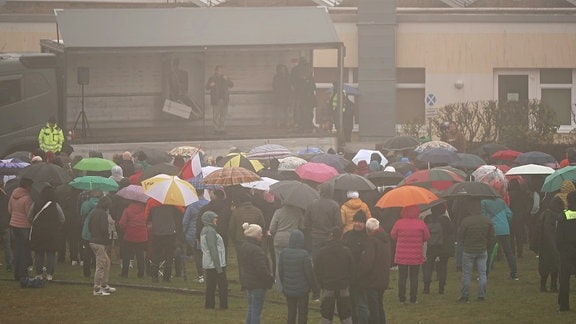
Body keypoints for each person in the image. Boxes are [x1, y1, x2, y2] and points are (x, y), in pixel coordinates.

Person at [457, 198, 495, 303]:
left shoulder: (466, 221)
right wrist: (487, 246)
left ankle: (465, 296)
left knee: (467, 274)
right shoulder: (487, 221)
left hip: (468, 250)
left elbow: (460, 236)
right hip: (482, 250)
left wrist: (464, 243)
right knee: (482, 273)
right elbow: (492, 237)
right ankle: (481, 295)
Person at [391, 204, 430, 304]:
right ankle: (413, 298)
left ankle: (402, 298)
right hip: (416, 255)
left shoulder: (399, 223)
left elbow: (393, 235)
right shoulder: (421, 223)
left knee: (402, 277)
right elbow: (427, 237)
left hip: (402, 255)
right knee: (414, 277)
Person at [278, 229, 318, 324]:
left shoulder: (284, 253)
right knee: (303, 313)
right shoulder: (304, 254)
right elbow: (309, 274)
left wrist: (284, 284)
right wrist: (315, 289)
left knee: (291, 312)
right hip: (302, 290)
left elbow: (280, 271)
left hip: (288, 289)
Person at [314, 227, 353, 324]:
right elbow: (352, 269)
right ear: (341, 236)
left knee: (326, 313)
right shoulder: (347, 251)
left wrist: (322, 283)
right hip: (343, 285)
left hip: (328, 285)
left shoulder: (322, 251)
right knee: (346, 313)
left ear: (331, 236)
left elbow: (317, 269)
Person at [238, 223, 274, 324]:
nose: (262, 235)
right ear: (256, 235)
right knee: (256, 311)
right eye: (260, 233)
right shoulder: (257, 250)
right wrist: (270, 279)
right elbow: (261, 269)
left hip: (249, 282)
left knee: (251, 308)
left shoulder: (244, 246)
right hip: (258, 284)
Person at [28, 186, 65, 281]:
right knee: (51, 253)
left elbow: (29, 217)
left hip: (38, 232)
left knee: (39, 253)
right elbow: (62, 219)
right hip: (52, 233)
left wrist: (35, 224)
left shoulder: (35, 204)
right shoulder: (55, 205)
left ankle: (39, 273)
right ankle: (50, 274)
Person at [146, 199, 184, 283]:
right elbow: (182, 211)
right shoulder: (172, 200)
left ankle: (154, 276)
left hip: (157, 232)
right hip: (170, 232)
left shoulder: (151, 201)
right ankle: (167, 277)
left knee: (156, 254)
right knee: (169, 255)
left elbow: (146, 216)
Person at [361, 218, 391, 324]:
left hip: (372, 279)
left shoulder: (372, 241)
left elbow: (368, 262)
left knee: (373, 308)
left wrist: (361, 273)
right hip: (383, 277)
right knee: (379, 304)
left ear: (369, 230)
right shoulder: (385, 239)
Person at [302, 182, 342, 261]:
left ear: (320, 191)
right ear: (331, 191)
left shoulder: (312, 204)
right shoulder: (335, 205)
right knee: (328, 262)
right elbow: (338, 224)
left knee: (316, 261)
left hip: (315, 237)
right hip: (330, 238)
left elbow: (306, 223)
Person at [269, 203, 304, 292]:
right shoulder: (298, 211)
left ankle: (279, 287)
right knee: (292, 263)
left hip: (279, 239)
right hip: (293, 239)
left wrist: (274, 234)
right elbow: (302, 226)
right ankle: (291, 286)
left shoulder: (278, 212)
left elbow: (272, 228)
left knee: (278, 262)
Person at [342, 211, 369, 323]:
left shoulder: (368, 238)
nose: (358, 224)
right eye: (356, 221)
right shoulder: (347, 235)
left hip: (362, 276)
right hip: (349, 275)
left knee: (362, 303)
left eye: (361, 222)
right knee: (351, 302)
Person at [481, 197, 518, 280]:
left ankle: (484, 274)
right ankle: (514, 273)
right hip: (505, 229)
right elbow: (509, 214)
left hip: (492, 230)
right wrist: (505, 222)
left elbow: (483, 216)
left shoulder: (484, 202)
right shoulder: (501, 202)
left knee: (488, 252)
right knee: (508, 252)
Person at [422, 204, 454, 294]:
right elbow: (451, 230)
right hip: (443, 246)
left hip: (431, 245)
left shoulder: (428, 218)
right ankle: (441, 288)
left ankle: (426, 287)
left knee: (428, 266)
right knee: (443, 266)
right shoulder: (445, 220)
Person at [200, 211, 228, 309]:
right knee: (222, 286)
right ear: (209, 219)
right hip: (216, 263)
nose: (216, 219)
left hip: (209, 263)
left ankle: (209, 305)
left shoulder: (205, 230)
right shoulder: (210, 231)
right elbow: (213, 249)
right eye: (214, 218)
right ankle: (223, 306)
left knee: (210, 286)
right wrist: (219, 267)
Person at [89, 196, 116, 296]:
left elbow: (89, 225)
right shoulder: (103, 214)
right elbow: (104, 228)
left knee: (106, 262)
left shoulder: (94, 212)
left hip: (93, 240)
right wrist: (107, 239)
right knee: (100, 265)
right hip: (99, 242)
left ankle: (104, 284)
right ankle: (97, 288)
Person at [8, 177, 34, 280]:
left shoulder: (13, 195)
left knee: (17, 250)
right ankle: (23, 272)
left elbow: (9, 209)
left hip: (13, 224)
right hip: (24, 226)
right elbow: (29, 214)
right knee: (24, 250)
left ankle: (16, 272)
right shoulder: (27, 198)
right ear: (27, 186)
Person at [183, 188, 209, 283]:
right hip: (207, 232)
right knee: (207, 254)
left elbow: (185, 221)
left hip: (193, 233)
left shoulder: (192, 206)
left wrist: (184, 232)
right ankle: (208, 274)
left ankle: (201, 276)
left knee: (197, 255)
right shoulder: (208, 204)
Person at [536, 196, 562, 292]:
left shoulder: (544, 213)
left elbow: (538, 229)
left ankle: (543, 286)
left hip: (544, 245)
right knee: (554, 265)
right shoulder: (558, 216)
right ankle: (553, 286)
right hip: (554, 244)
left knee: (544, 266)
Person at [557, 191, 576, 311]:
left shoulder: (563, 215)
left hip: (567, 249)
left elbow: (559, 236)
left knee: (564, 279)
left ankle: (564, 305)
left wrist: (561, 249)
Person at [118, 198, 148, 278]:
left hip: (129, 235)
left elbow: (122, 223)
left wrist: (125, 229)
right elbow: (147, 221)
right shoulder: (144, 210)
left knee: (126, 255)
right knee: (140, 255)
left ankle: (125, 273)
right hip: (142, 235)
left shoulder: (127, 210)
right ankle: (141, 273)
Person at [206, 65, 234, 134]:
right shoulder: (212, 78)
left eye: (221, 71)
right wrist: (210, 85)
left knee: (223, 115)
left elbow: (231, 85)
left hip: (224, 99)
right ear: (215, 71)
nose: (220, 72)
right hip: (216, 100)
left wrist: (227, 79)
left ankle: (222, 128)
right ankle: (216, 129)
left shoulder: (225, 78)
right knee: (215, 115)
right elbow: (206, 87)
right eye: (218, 71)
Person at [291, 58, 316, 132]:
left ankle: (302, 124)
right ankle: (306, 124)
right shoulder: (307, 69)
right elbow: (312, 83)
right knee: (305, 109)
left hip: (303, 93)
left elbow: (293, 81)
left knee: (302, 109)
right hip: (306, 93)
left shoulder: (296, 70)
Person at [0, 179, 12, 272]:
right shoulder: (6, 196)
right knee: (7, 246)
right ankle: (9, 264)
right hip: (5, 223)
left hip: (4, 222)